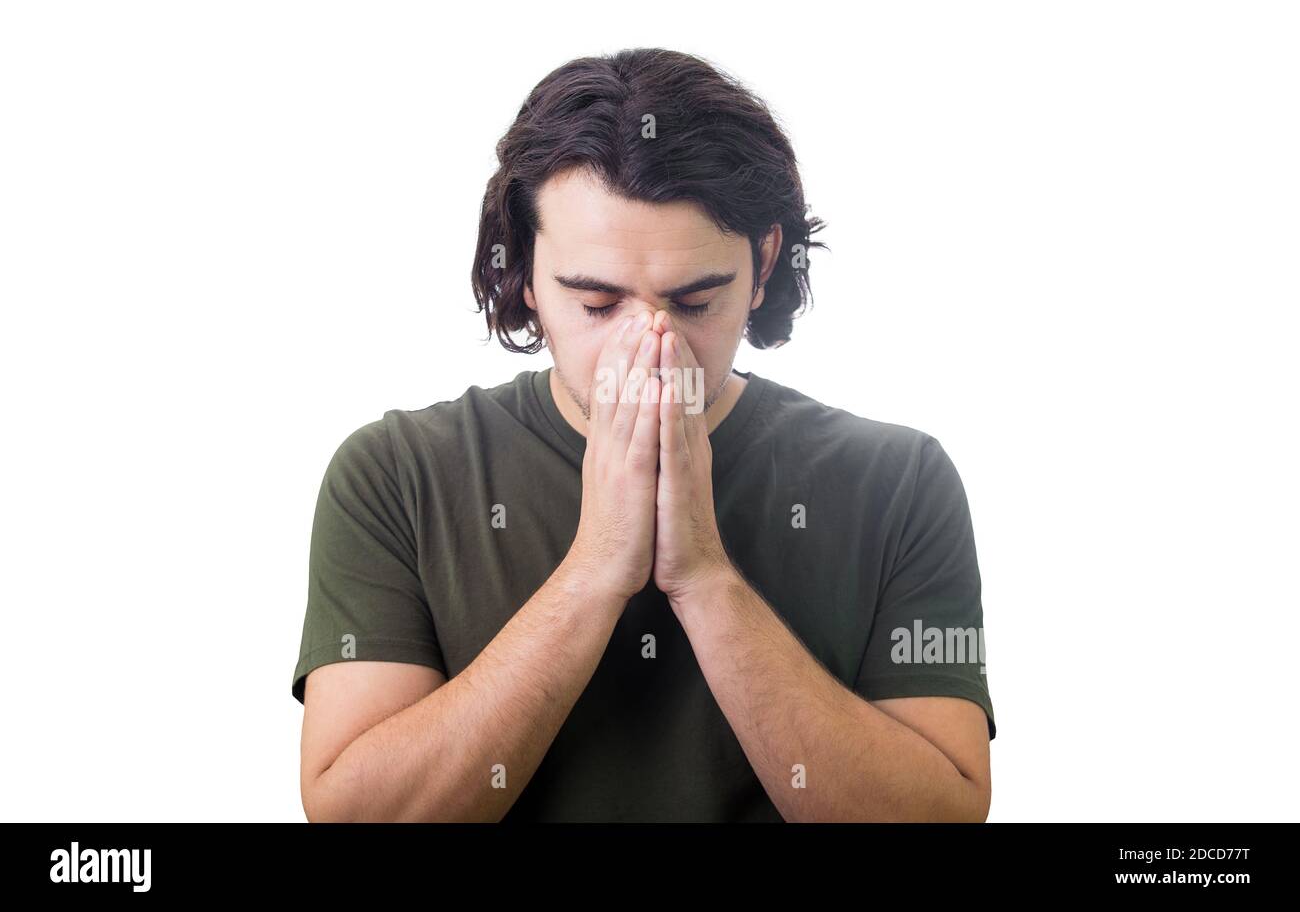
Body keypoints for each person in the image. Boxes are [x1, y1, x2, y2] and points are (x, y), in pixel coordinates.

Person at [291, 47, 995, 821]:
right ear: (524, 271)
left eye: (696, 301)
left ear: (762, 264)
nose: (651, 347)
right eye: (597, 304)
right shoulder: (394, 475)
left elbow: (941, 817)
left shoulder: (898, 482)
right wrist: (594, 572)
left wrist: (702, 577)